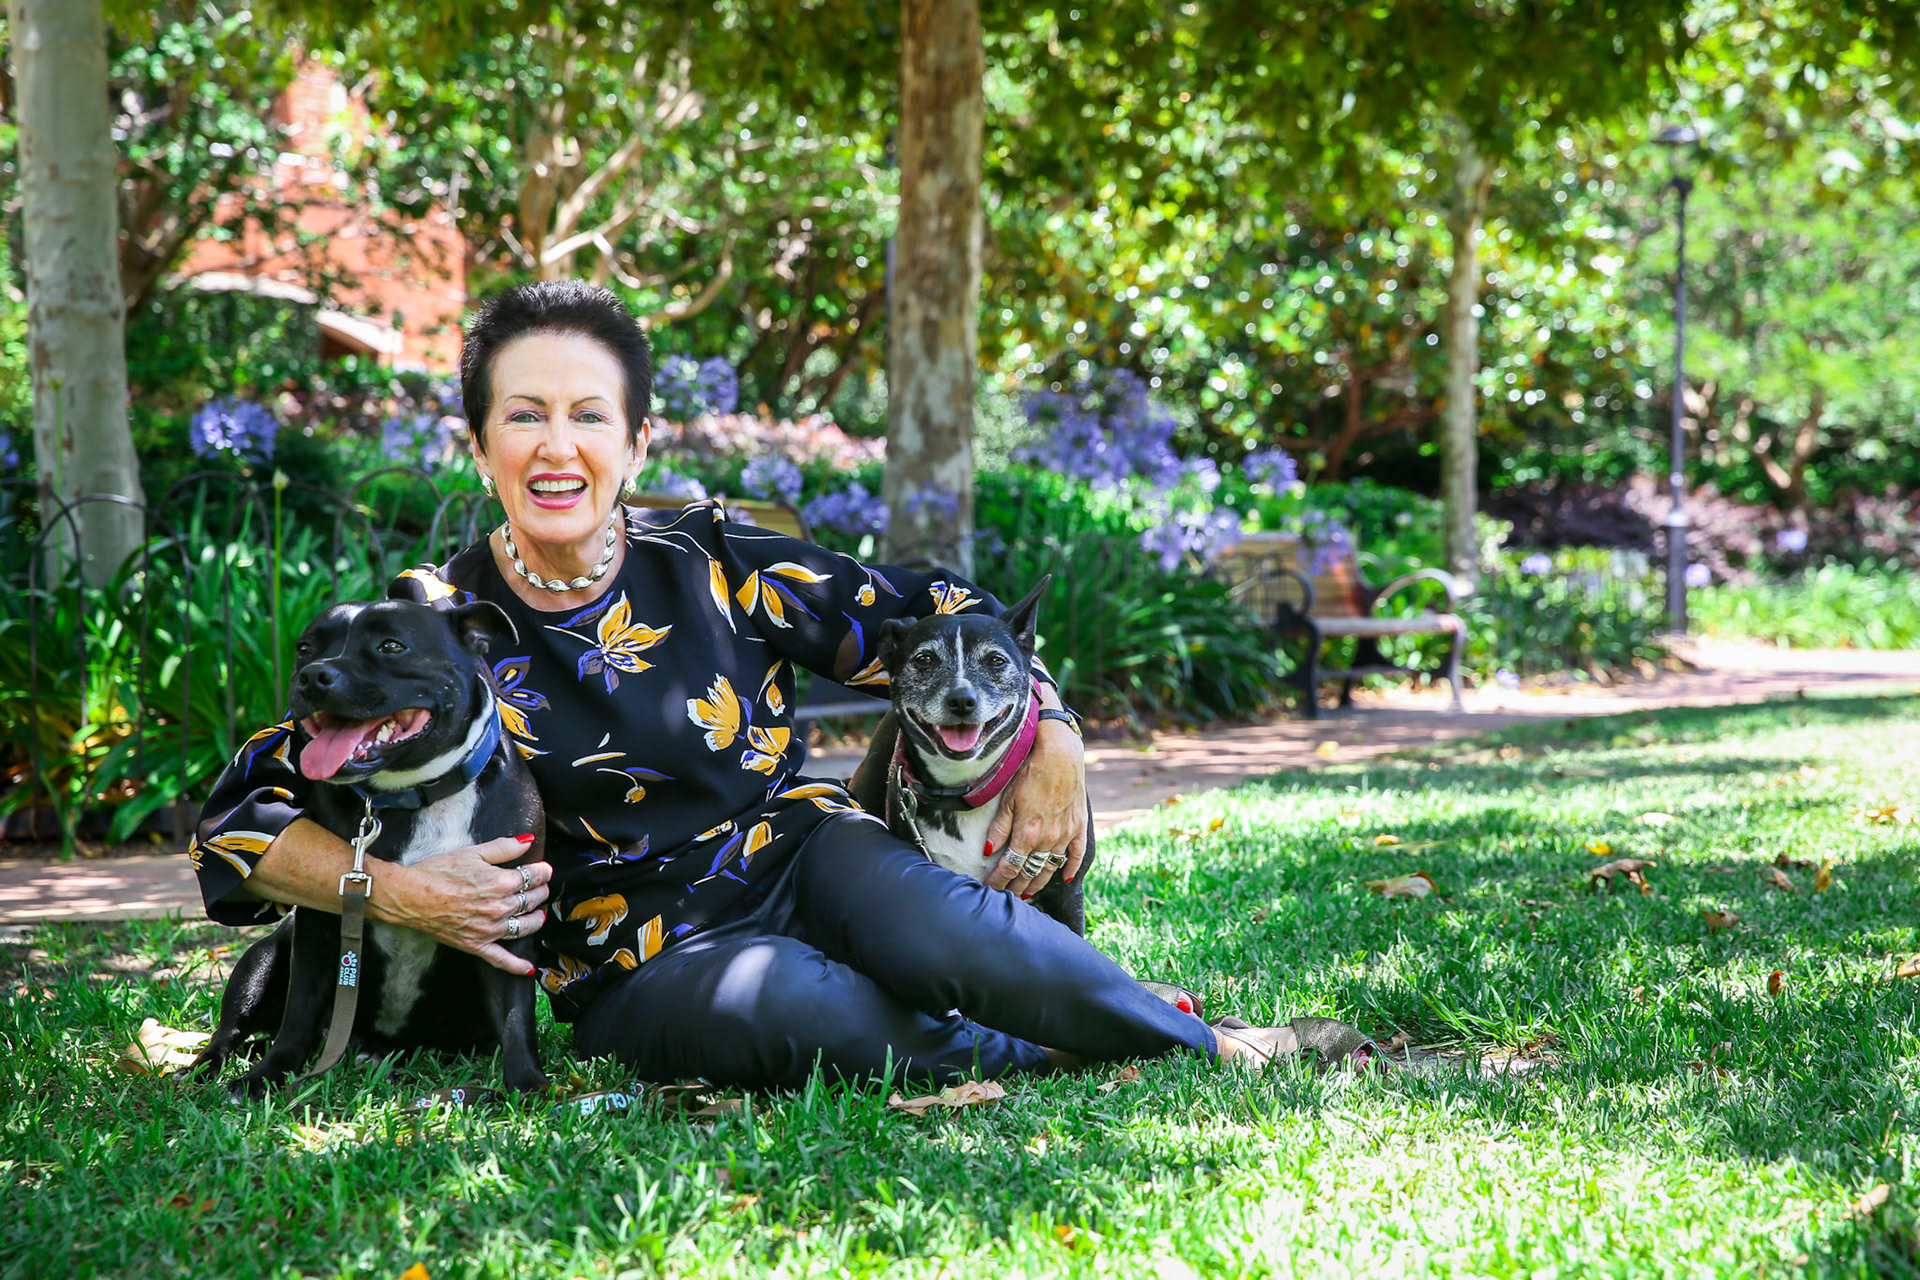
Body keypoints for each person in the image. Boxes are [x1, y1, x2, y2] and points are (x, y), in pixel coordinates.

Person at [190, 280, 1310, 1088]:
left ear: (633, 439)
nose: (556, 446)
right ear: (480, 443)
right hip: (636, 954)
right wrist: (394, 891)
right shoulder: (432, 621)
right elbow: (242, 812)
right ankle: (1072, 1042)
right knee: (801, 1010)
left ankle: (1201, 1042)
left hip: (806, 852)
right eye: (523, 414)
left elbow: (932, 613)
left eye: (588, 415)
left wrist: (1054, 729)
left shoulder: (713, 552)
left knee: (959, 936)